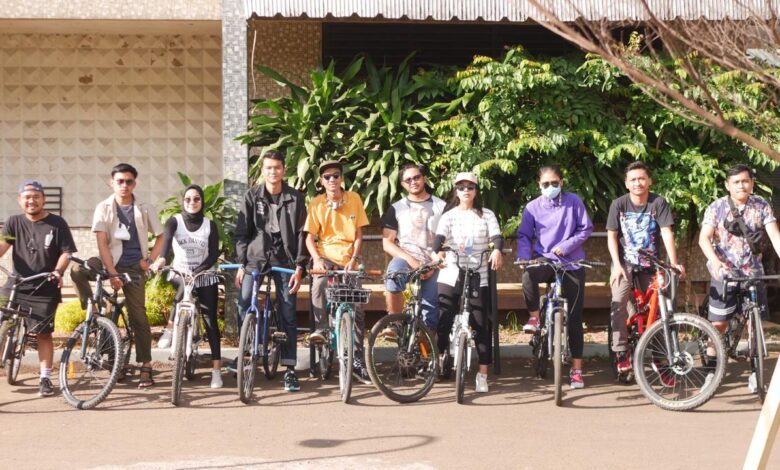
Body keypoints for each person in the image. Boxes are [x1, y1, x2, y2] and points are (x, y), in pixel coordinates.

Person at [71, 163, 163, 388]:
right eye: (119, 181)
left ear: (135, 183)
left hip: (133, 268)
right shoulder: (103, 207)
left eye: (129, 181)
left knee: (138, 317)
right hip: (106, 263)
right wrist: (111, 273)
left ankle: (145, 365)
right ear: (111, 182)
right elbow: (102, 242)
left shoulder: (144, 207)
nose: (124, 185)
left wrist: (149, 261)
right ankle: (92, 305)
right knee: (77, 270)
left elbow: (161, 236)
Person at [698, 164, 780, 392]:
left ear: (752, 183)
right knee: (718, 324)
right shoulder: (717, 207)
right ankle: (711, 372)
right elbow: (704, 239)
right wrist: (715, 261)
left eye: (745, 181)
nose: (741, 185)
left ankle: (756, 373)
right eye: (736, 182)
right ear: (727, 185)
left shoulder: (761, 205)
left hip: (753, 273)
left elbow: (774, 235)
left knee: (755, 325)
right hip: (724, 274)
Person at [232, 150, 308, 392]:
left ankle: (289, 368)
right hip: (256, 257)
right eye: (268, 168)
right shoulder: (252, 196)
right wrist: (242, 263)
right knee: (245, 302)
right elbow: (242, 233)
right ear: (262, 171)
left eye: (277, 167)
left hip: (285, 258)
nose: (273, 172)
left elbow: (301, 235)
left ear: (284, 170)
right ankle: (246, 352)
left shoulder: (295, 198)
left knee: (287, 311)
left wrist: (299, 266)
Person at [516, 165, 593, 389]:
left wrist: (566, 246)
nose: (551, 187)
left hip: (572, 261)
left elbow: (585, 228)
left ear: (562, 182)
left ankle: (577, 370)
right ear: (539, 185)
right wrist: (523, 258)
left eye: (555, 183)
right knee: (529, 276)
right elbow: (523, 235)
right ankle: (534, 317)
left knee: (576, 319)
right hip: (545, 259)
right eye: (546, 184)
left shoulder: (574, 202)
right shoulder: (532, 207)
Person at [0, 180, 77, 397]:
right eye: (27, 197)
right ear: (20, 200)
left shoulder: (57, 223)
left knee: (43, 334)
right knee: (1, 317)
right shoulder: (13, 222)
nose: (31, 201)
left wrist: (58, 271)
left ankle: (44, 377)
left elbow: (66, 252)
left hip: (45, 285)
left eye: (36, 196)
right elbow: (3, 245)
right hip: (16, 283)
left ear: (43, 199)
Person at [606, 161, 684, 374]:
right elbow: (612, 236)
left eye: (641, 178)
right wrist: (616, 266)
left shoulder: (658, 202)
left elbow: (667, 233)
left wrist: (673, 263)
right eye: (633, 179)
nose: (637, 183)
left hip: (652, 265)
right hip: (625, 263)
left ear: (649, 180)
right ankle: (621, 352)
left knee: (661, 308)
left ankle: (660, 357)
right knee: (618, 302)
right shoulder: (618, 204)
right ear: (626, 183)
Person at [432, 172, 503, 393]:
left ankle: (482, 374)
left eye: (470, 187)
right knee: (443, 318)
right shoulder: (449, 215)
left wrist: (497, 251)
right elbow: (438, 239)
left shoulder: (487, 214)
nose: (466, 191)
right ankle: (440, 358)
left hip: (478, 274)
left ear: (476, 190)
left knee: (482, 324)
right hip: (452, 271)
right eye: (461, 187)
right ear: (456, 190)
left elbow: (496, 237)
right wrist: (436, 254)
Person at [305, 160, 371, 383]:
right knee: (319, 285)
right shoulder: (316, 203)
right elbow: (309, 237)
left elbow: (360, 234)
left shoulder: (354, 199)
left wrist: (353, 259)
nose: (332, 180)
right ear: (321, 181)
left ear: (342, 178)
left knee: (357, 308)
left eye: (336, 175)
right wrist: (316, 260)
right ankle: (322, 331)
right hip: (325, 257)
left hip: (349, 259)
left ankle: (357, 360)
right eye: (327, 177)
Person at [151, 184, 223, 388]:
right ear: (183, 201)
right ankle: (171, 328)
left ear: (202, 202)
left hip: (204, 274)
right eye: (188, 199)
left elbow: (212, 255)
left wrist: (199, 270)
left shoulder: (210, 225)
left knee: (210, 323)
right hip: (180, 273)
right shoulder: (175, 221)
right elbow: (165, 247)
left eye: (197, 199)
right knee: (183, 283)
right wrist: (161, 260)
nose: (192, 202)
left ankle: (216, 371)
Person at [381, 163, 446, 332]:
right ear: (403, 184)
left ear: (424, 178)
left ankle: (428, 353)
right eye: (408, 180)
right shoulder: (397, 208)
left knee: (430, 313)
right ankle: (395, 324)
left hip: (435, 262)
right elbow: (387, 242)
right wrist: (411, 260)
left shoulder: (441, 206)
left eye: (416, 177)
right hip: (406, 258)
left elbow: (449, 239)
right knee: (393, 277)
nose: (413, 182)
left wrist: (434, 263)